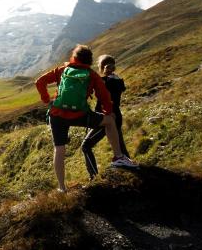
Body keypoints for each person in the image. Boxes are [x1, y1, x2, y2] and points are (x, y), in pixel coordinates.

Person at [35, 45, 137, 192]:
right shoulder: (91, 74)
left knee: (59, 149)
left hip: (57, 115)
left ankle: (62, 188)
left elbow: (39, 82)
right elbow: (104, 96)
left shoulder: (62, 69)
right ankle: (118, 157)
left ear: (74, 57)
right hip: (80, 115)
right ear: (89, 60)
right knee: (109, 121)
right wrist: (108, 111)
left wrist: (47, 100)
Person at [81, 55, 130, 180]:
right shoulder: (118, 80)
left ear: (103, 67)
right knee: (121, 150)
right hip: (116, 117)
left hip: (106, 118)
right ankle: (132, 173)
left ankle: (94, 177)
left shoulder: (104, 81)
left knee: (86, 146)